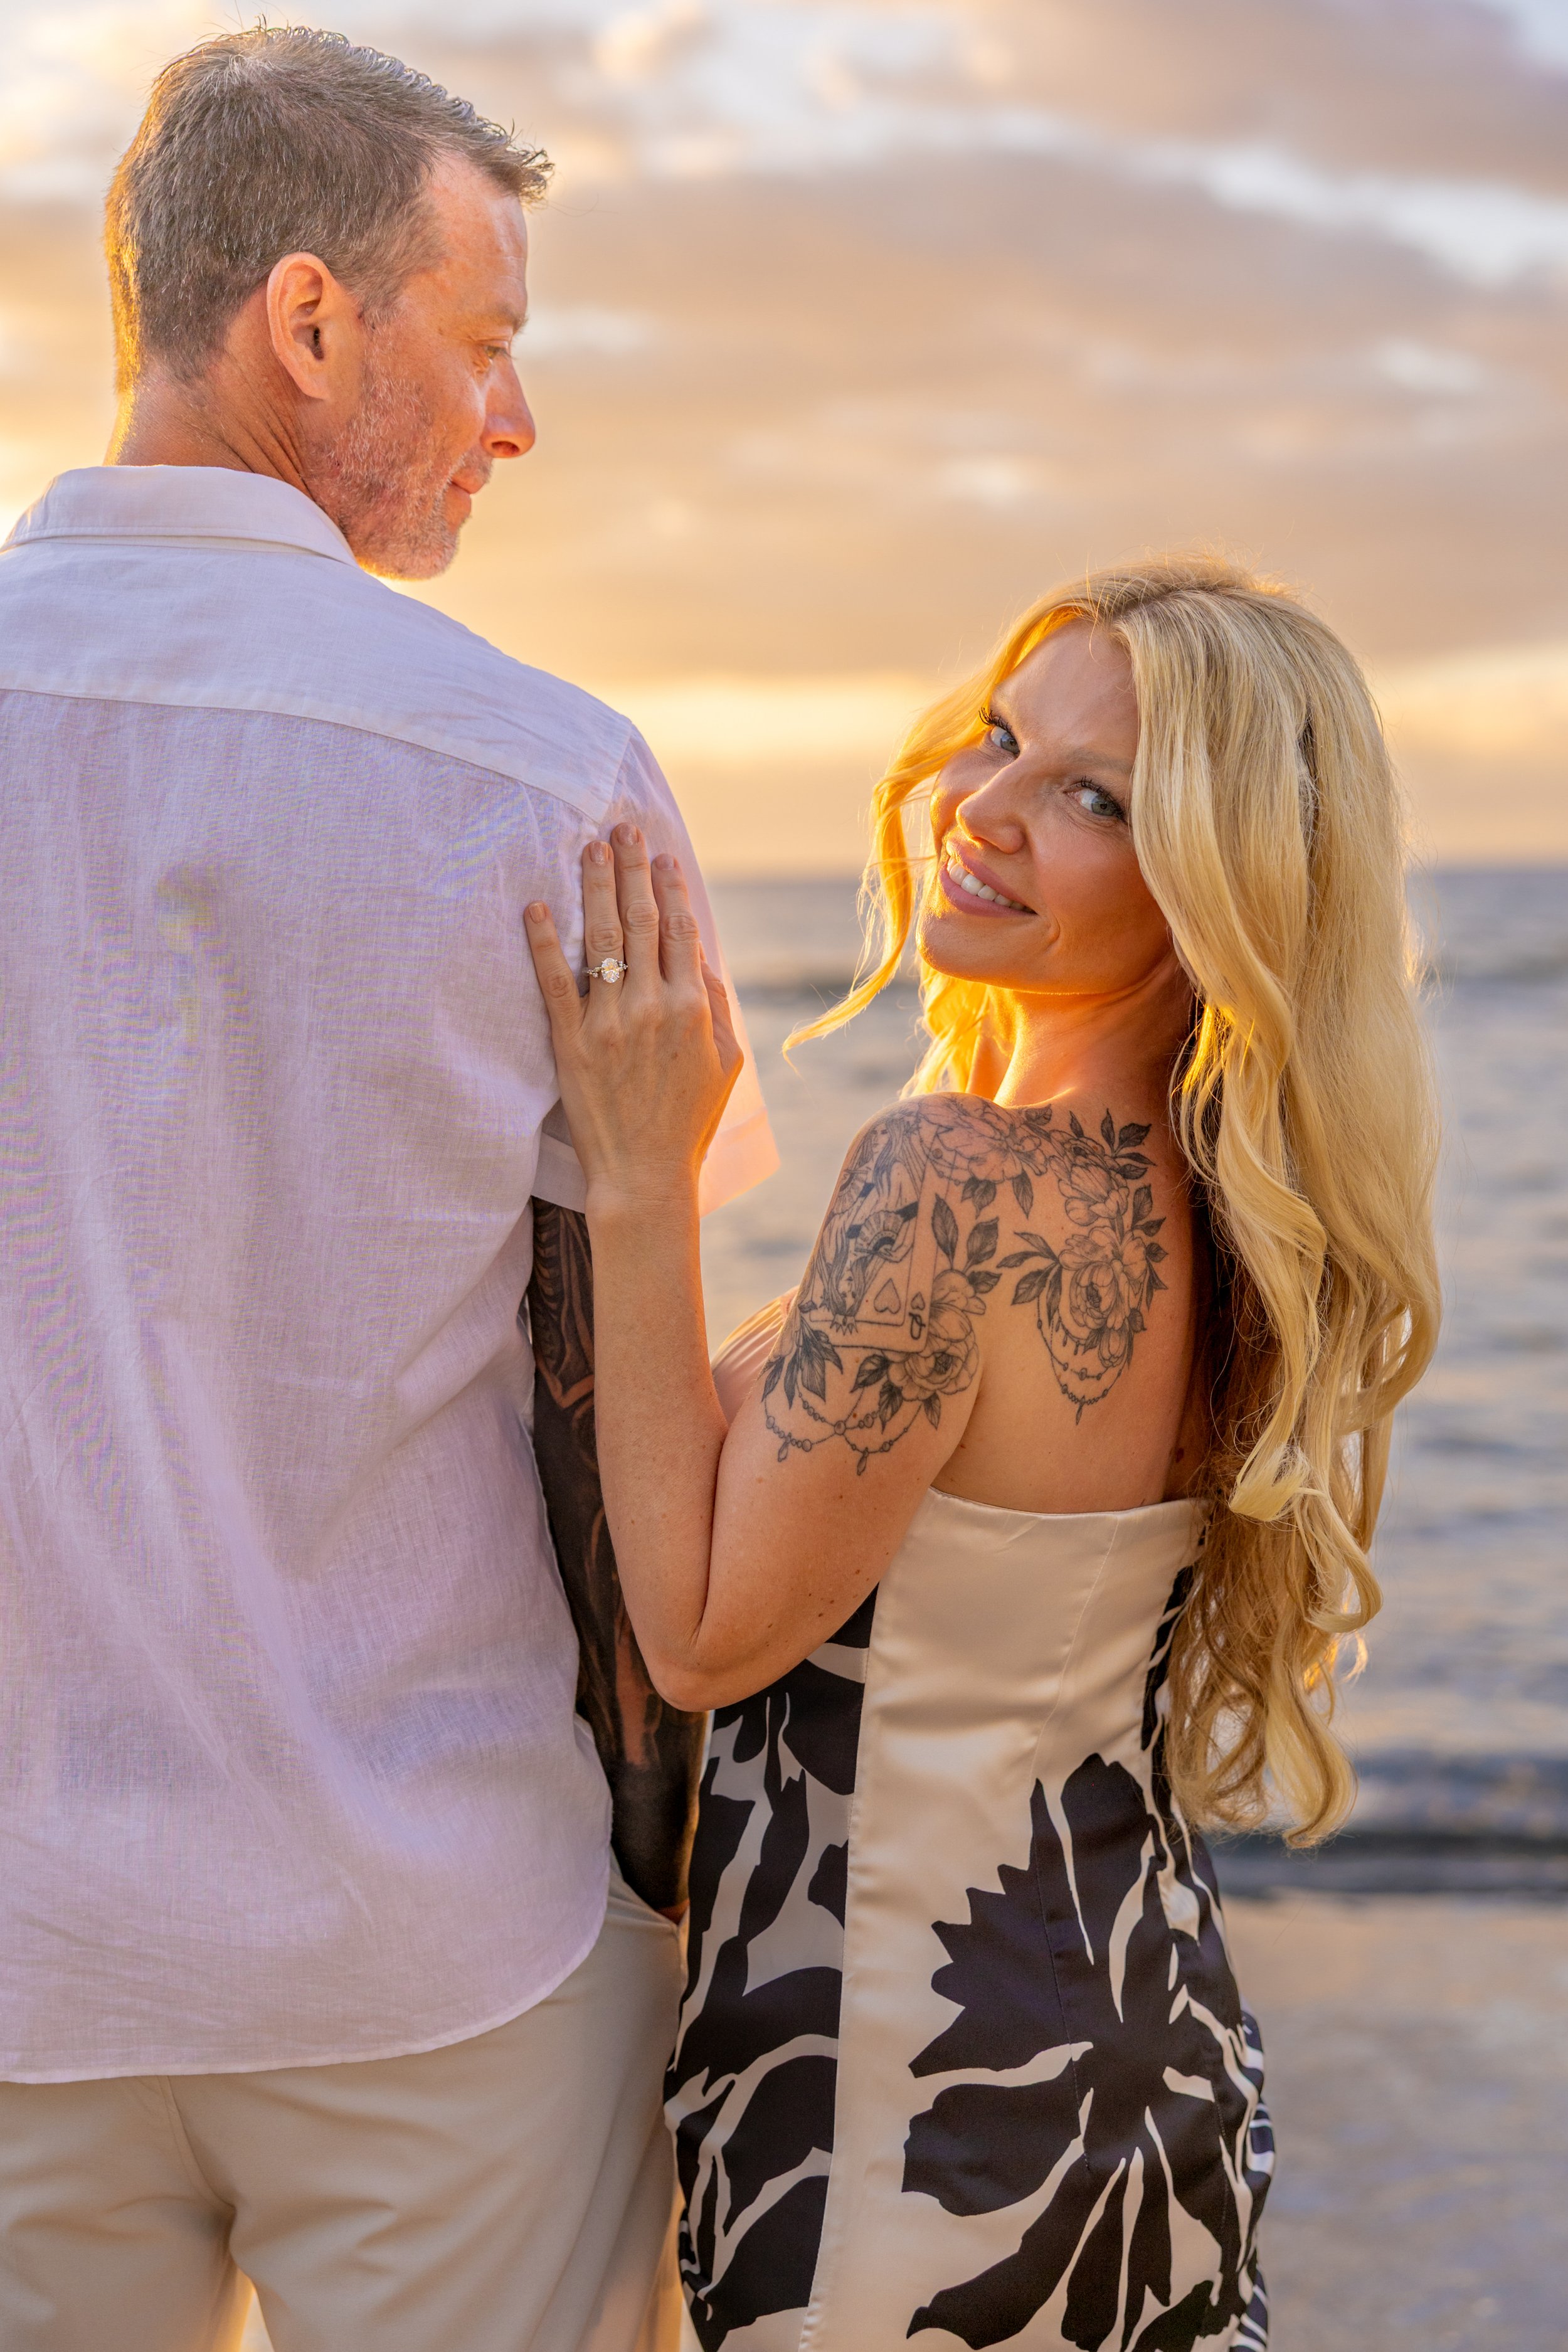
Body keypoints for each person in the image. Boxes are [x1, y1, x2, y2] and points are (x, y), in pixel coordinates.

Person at [0, 27, 774, 2352]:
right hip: (430, 1939)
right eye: (491, 338)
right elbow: (635, 1368)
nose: (517, 420)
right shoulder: (540, 779)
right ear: (311, 318)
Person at [527, 558, 1442, 2352]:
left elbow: (710, 1639)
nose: (985, 809)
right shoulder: (1236, 1222)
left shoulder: (958, 1180)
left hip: (900, 2104)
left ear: (1210, 886)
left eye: (1092, 798)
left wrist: (641, 1180)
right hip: (1139, 2070)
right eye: (1002, 742)